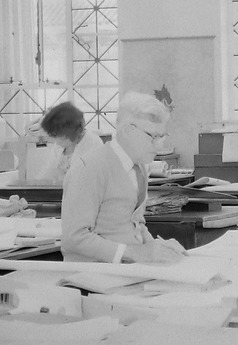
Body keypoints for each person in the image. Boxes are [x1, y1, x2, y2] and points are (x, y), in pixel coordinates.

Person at [60, 92, 182, 263]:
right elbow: (74, 238)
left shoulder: (139, 167)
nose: (160, 145)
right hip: (92, 276)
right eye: (154, 137)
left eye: (162, 136)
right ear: (128, 131)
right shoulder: (89, 168)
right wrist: (136, 253)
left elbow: (135, 225)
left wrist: (157, 247)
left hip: (127, 272)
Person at [39, 101, 88, 181]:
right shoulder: (59, 147)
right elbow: (46, 174)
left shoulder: (92, 144)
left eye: (57, 135)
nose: (55, 140)